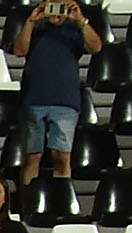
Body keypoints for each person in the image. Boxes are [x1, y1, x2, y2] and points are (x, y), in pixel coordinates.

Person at [8, 0, 95, 183]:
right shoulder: (36, 28)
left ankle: (60, 197)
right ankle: (29, 199)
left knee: (62, 157)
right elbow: (19, 50)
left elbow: (96, 47)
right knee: (32, 156)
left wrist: (80, 20)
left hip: (66, 101)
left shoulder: (75, 29)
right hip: (34, 100)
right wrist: (31, 21)